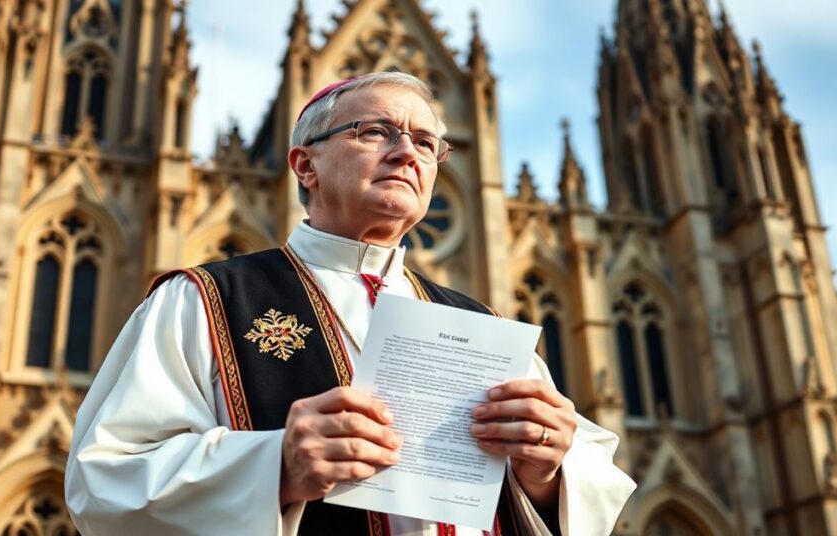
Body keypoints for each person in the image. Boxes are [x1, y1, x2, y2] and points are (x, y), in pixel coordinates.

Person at [65, 72, 636, 535]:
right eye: (375, 131)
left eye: (427, 143)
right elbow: (104, 481)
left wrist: (548, 470)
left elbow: (589, 488)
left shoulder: (480, 325)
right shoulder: (203, 299)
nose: (407, 152)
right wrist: (275, 468)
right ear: (305, 166)